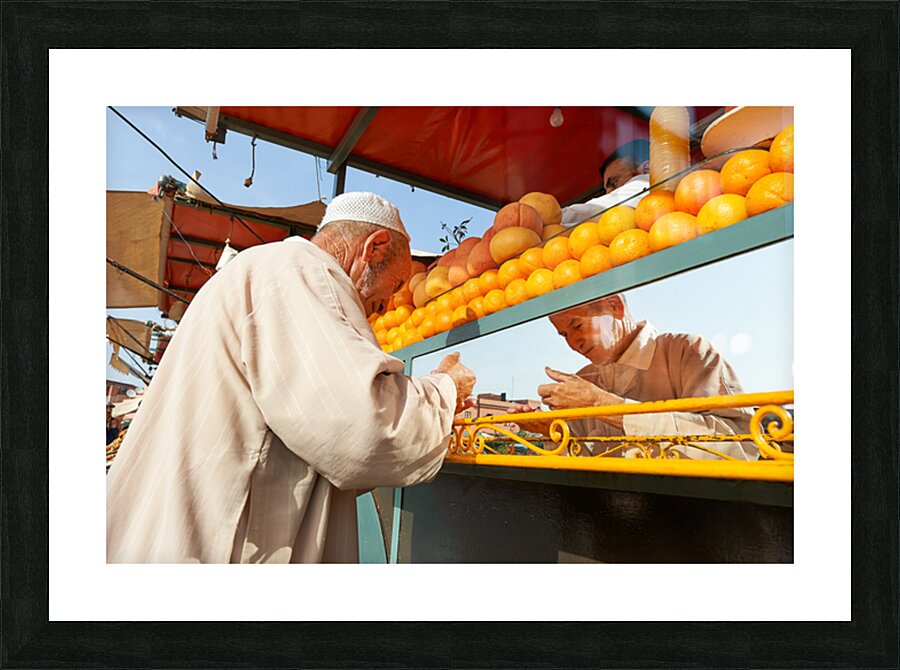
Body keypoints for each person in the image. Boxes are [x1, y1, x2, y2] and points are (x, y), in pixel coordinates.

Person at [107, 192, 476, 563]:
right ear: (374, 248)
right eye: (395, 285)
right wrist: (444, 388)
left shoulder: (270, 267)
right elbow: (358, 422)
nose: (386, 304)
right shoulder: (301, 272)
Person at [514, 294, 756, 460]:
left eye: (577, 326)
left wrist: (602, 404)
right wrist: (554, 433)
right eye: (564, 334)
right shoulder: (584, 381)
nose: (573, 343)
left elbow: (740, 449)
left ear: (615, 306)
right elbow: (582, 468)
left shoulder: (688, 351)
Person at [560, 140, 651, 227]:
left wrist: (556, 217)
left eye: (615, 183)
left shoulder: (644, 182)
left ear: (647, 169)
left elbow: (596, 208)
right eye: (606, 190)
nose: (609, 193)